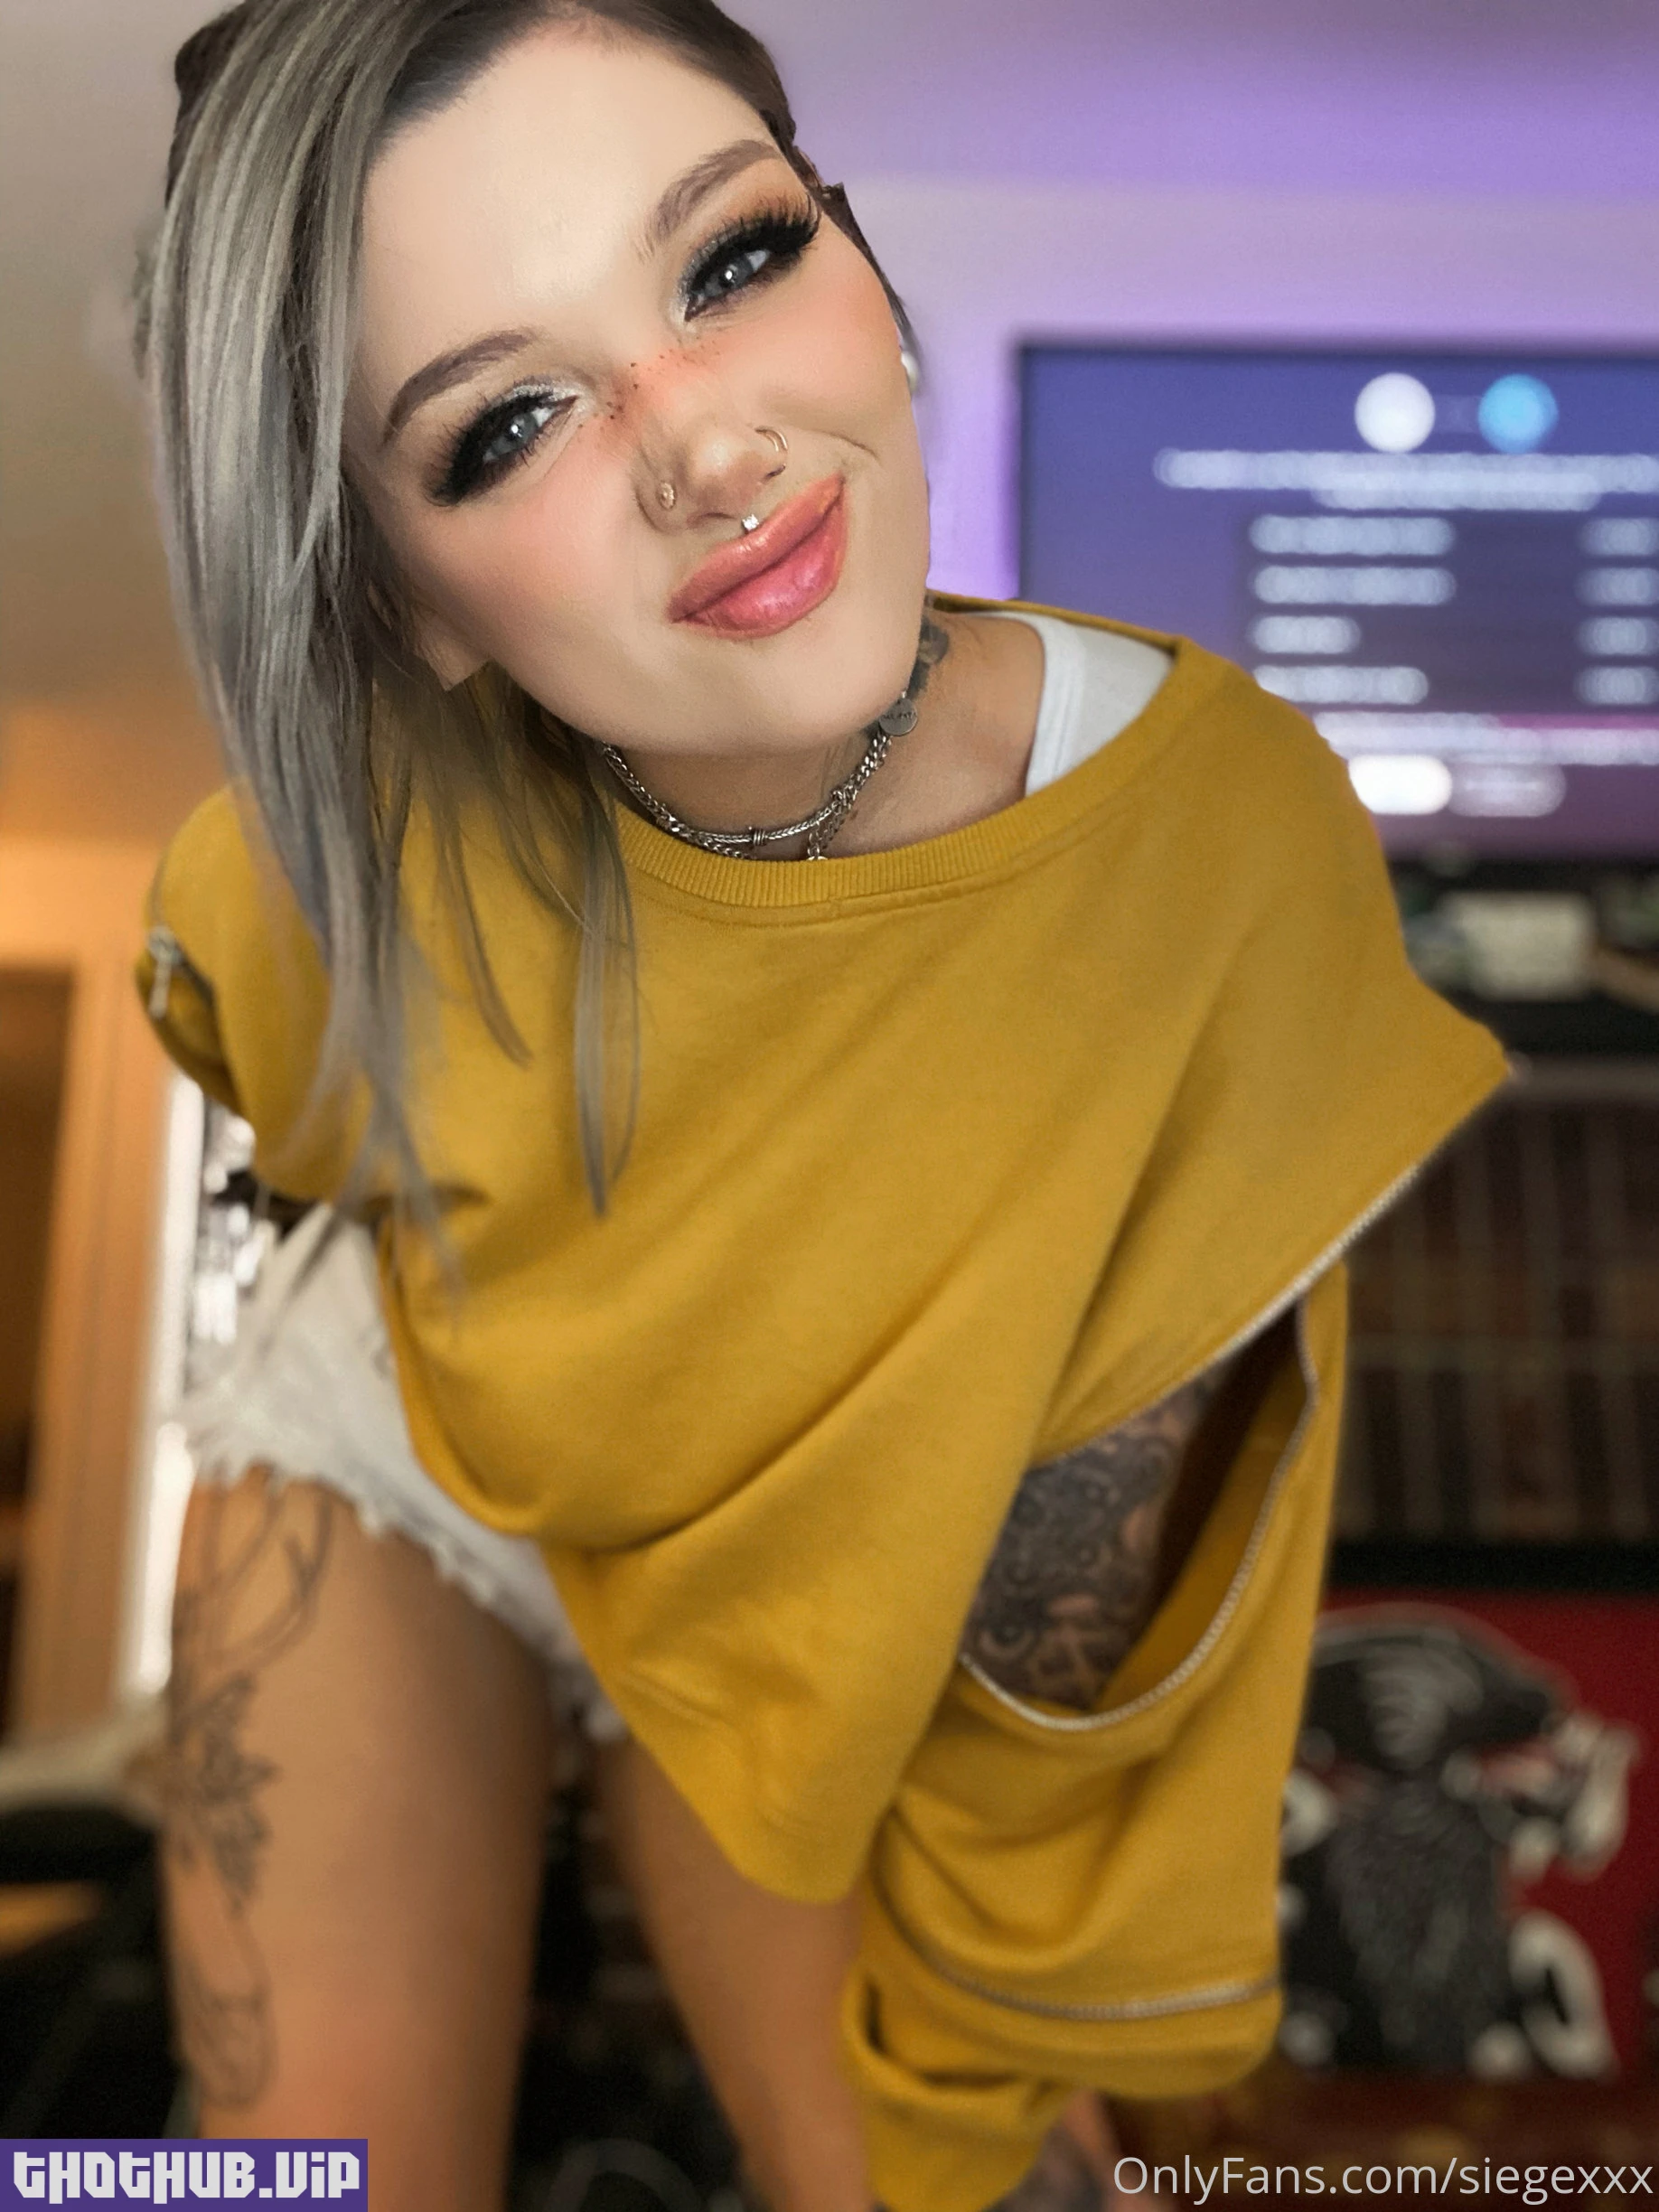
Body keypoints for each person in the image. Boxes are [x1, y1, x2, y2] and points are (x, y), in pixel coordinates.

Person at [133, 4, 1510, 2208]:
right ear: (407, 607)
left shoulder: (1219, 865)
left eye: (734, 256)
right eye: (506, 424)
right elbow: (270, 1059)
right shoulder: (339, 849)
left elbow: (1069, 1714)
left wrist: (959, 2135)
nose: (708, 445)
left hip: (851, 1563)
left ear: (854, 246)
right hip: (418, 1441)